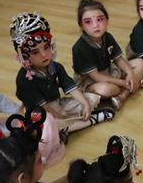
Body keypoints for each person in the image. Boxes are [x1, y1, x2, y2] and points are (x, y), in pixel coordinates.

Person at [11, 12, 114, 142]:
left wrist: (85, 104)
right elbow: (44, 108)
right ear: (24, 56)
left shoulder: (55, 67)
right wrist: (61, 117)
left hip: (59, 105)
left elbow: (71, 88)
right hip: (40, 113)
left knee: (90, 98)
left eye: (46, 47)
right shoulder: (24, 79)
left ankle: (68, 128)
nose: (44, 55)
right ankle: (91, 120)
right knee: (47, 125)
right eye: (35, 52)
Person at [72, 0, 143, 110]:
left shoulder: (107, 36)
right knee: (107, 89)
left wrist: (130, 73)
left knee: (140, 62)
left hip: (109, 71)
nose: (95, 25)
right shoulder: (80, 48)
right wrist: (123, 82)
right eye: (88, 22)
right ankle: (132, 86)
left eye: (100, 19)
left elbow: (118, 59)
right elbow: (96, 76)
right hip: (90, 81)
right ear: (81, 25)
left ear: (107, 20)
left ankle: (123, 94)